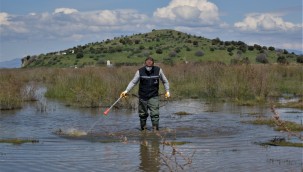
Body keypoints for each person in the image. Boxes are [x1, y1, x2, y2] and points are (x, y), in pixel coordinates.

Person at [120, 57, 170, 131]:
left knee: (155, 114)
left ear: (153, 64)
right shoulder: (140, 71)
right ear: (145, 64)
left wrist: (167, 91)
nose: (148, 68)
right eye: (147, 66)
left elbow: (165, 81)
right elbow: (133, 82)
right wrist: (126, 91)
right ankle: (143, 131)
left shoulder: (158, 70)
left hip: (154, 96)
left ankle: (155, 131)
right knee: (143, 115)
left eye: (150, 66)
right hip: (143, 96)